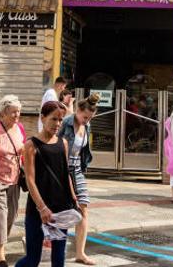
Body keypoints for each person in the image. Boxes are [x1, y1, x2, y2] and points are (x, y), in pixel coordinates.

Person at [16, 101, 78, 267]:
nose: (57, 124)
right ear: (42, 118)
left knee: (58, 258)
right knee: (32, 259)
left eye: (60, 120)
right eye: (53, 119)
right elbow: (30, 180)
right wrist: (42, 207)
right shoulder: (31, 145)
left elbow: (66, 173)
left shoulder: (63, 143)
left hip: (60, 209)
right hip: (38, 210)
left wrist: (73, 196)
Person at [57, 93, 99, 265]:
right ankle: (54, 249)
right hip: (61, 169)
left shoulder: (86, 126)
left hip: (77, 170)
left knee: (83, 209)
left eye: (90, 118)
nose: (86, 121)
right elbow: (56, 144)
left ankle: (80, 253)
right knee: (63, 210)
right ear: (78, 111)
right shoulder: (66, 123)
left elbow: (83, 151)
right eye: (85, 117)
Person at [0, 95, 26, 267]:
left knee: (11, 216)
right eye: (13, 112)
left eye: (19, 111)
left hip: (15, 180)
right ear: (3, 113)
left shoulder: (20, 129)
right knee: (1, 216)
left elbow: (23, 153)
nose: (17, 115)